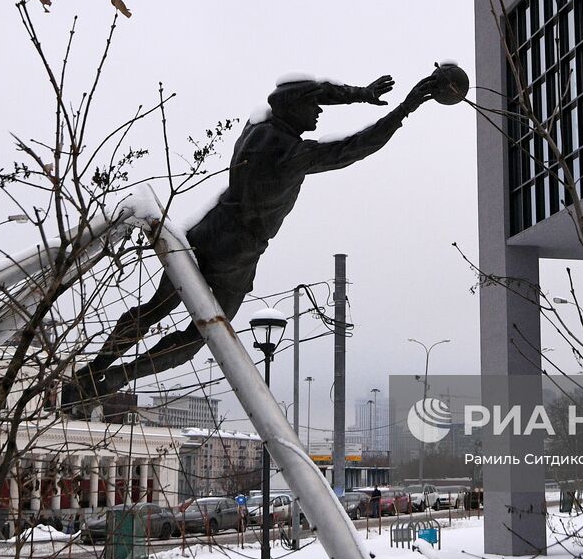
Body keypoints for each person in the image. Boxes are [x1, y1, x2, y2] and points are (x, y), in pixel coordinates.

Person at [68, 71, 438, 410]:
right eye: (312, 106)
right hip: (237, 251)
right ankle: (116, 378)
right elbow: (356, 146)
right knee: (202, 334)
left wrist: (358, 94)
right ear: (294, 109)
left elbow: (310, 92)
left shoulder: (256, 126)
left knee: (154, 308)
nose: (319, 112)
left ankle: (93, 370)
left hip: (207, 229)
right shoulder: (290, 154)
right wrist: (408, 105)